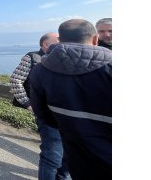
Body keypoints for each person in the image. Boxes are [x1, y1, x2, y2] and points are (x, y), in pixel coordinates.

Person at [30, 19, 112, 180]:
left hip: (76, 154)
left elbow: (43, 114)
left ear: (60, 40)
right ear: (95, 39)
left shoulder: (41, 69)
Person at [10, 32, 70, 180]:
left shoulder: (65, 57)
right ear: (45, 44)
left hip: (68, 115)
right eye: (57, 40)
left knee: (68, 154)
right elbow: (15, 81)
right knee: (52, 155)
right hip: (46, 114)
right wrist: (28, 104)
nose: (61, 43)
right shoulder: (32, 58)